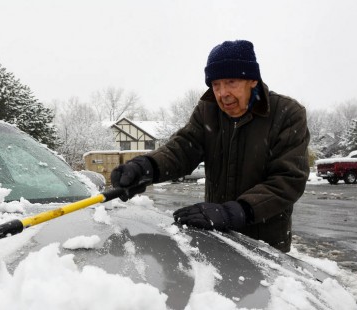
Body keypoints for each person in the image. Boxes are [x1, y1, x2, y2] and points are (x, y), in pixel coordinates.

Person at [110, 40, 310, 252]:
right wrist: (146, 166)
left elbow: (288, 180)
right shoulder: (208, 110)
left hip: (265, 245)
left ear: (252, 80)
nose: (222, 93)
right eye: (215, 85)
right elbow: (183, 148)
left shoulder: (287, 114)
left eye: (231, 82)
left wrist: (235, 212)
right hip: (218, 237)